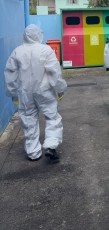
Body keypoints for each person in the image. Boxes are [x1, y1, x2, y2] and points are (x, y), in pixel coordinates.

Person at [4, 24, 67, 162]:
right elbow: (54, 72)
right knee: (52, 117)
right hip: (44, 91)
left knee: (28, 119)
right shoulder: (45, 50)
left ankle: (33, 153)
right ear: (38, 35)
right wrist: (60, 89)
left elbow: (9, 74)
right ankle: (51, 145)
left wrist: (13, 92)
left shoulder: (17, 51)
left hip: (25, 92)